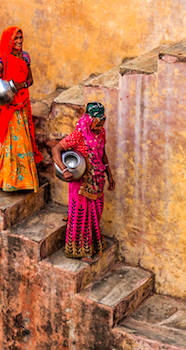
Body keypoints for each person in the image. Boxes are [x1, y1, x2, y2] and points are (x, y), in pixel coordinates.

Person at [52, 102, 115, 261]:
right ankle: (80, 250)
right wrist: (64, 170)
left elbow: (103, 153)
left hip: (97, 181)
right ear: (89, 119)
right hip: (81, 183)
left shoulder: (100, 133)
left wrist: (109, 174)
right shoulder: (79, 134)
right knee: (81, 214)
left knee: (96, 211)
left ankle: (92, 244)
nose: (100, 125)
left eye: (102, 121)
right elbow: (56, 150)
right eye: (97, 121)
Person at [0, 26, 41, 191]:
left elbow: (31, 80)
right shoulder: (3, 59)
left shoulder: (25, 57)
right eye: (16, 38)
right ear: (9, 40)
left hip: (22, 102)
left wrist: (21, 85)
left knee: (24, 139)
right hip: (9, 105)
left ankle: (25, 178)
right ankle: (12, 179)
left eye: (21, 38)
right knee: (14, 140)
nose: (19, 41)